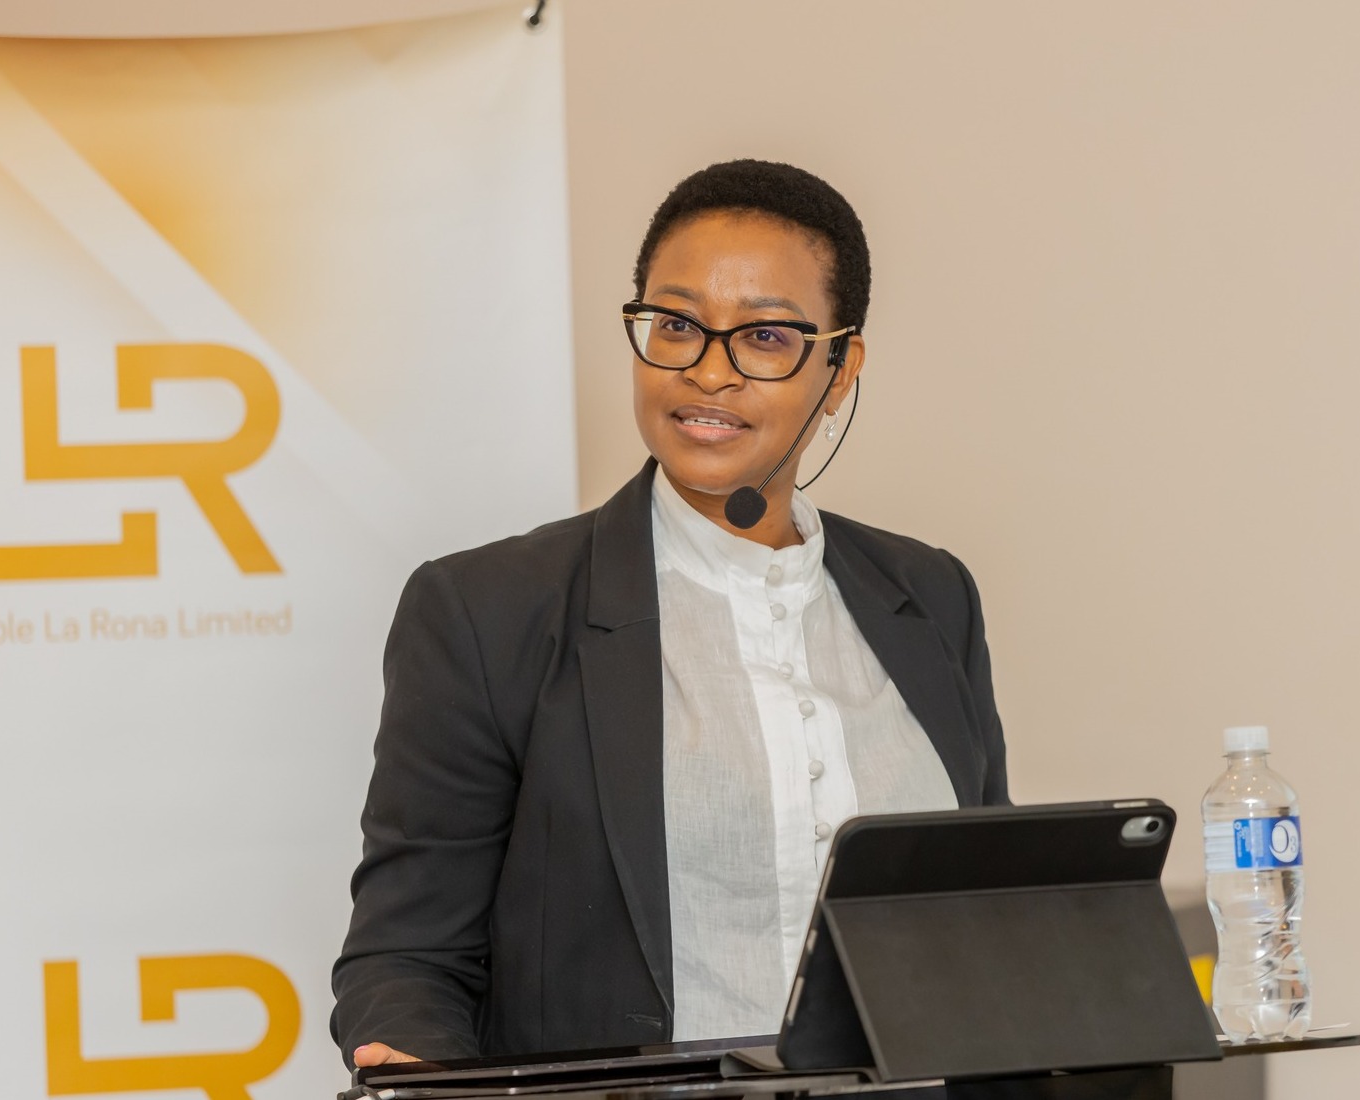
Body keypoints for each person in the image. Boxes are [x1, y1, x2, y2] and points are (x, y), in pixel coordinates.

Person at [332, 159, 1010, 1069]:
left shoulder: (931, 596)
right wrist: (417, 1065)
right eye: (678, 324)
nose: (708, 373)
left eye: (765, 336)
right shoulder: (486, 613)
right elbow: (409, 958)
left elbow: (990, 916)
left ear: (840, 366)